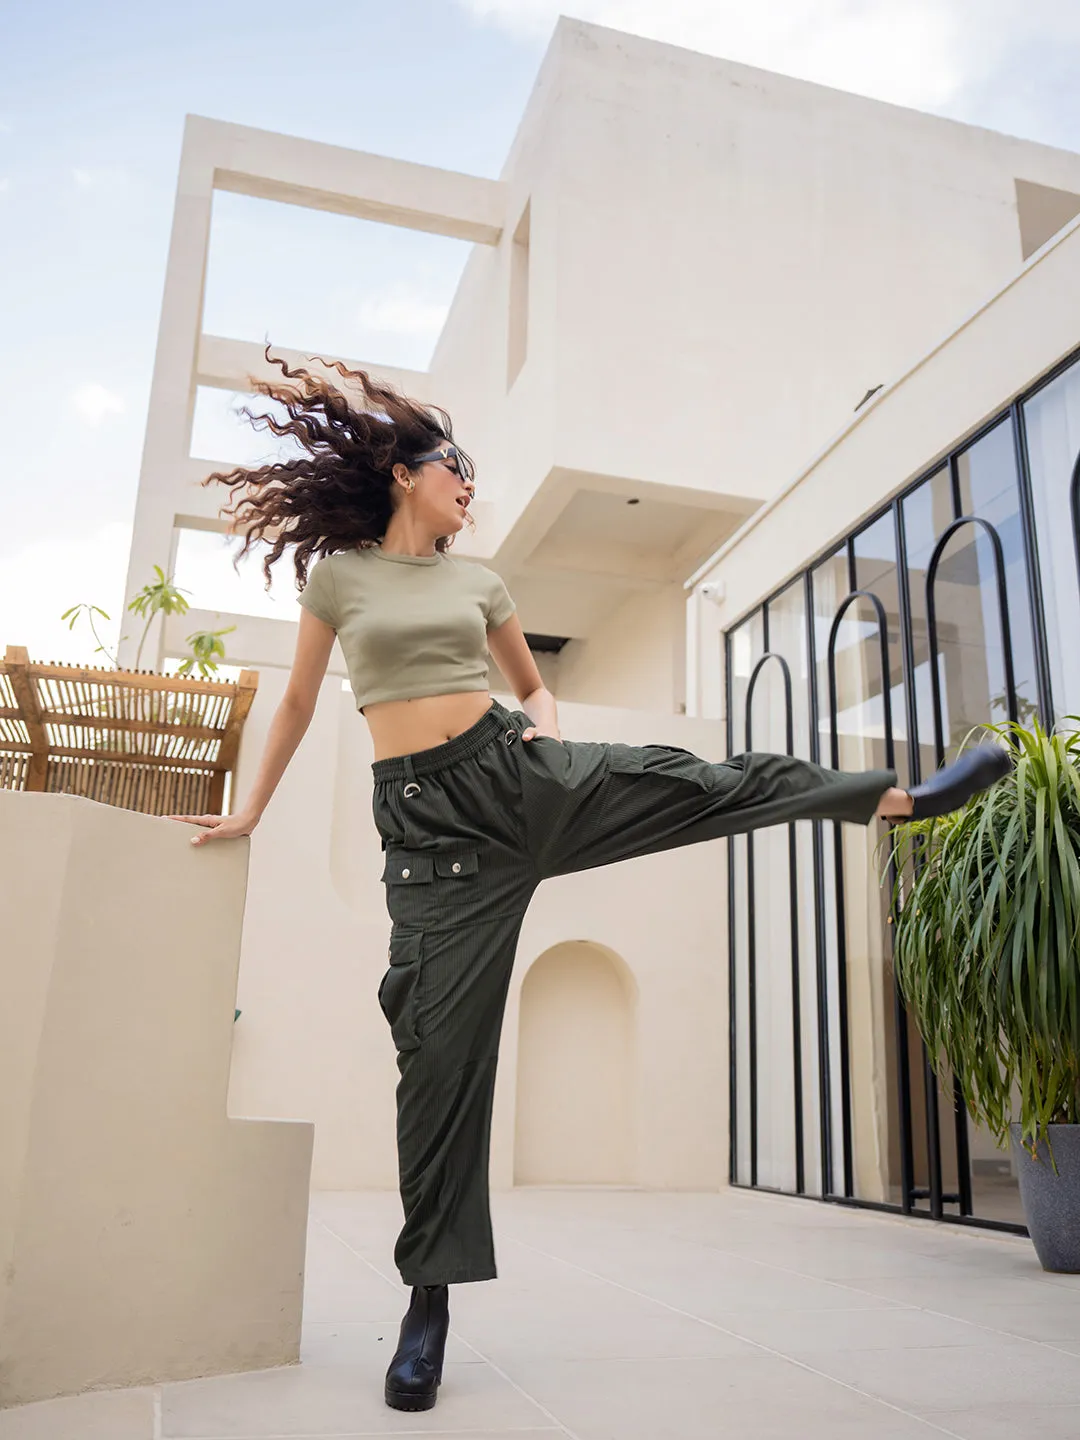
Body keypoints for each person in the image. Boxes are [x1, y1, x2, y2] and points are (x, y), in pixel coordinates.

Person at [168, 352, 1011, 1412]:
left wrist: (538, 736)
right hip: (434, 843)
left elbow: (532, 683)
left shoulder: (480, 582)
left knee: (699, 780)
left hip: (518, 778)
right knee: (437, 1073)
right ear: (405, 473)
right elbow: (295, 705)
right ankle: (427, 1304)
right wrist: (250, 808)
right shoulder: (340, 580)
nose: (469, 487)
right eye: (457, 468)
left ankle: (895, 799)